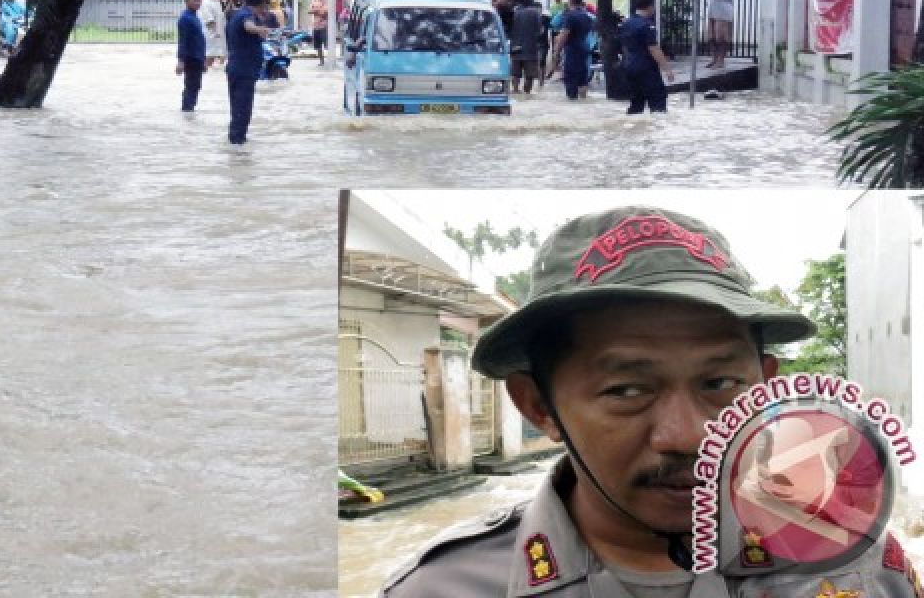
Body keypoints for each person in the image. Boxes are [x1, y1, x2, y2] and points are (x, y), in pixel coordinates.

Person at [382, 205, 915, 598]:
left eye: (721, 384)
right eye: (627, 390)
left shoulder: (858, 564)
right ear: (539, 407)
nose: (691, 436)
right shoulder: (442, 590)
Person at [224, 0, 271, 146]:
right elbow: (248, 26)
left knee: (238, 110)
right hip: (243, 70)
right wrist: (260, 29)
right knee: (242, 111)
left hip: (238, 69)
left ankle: (236, 146)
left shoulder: (238, 14)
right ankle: (237, 147)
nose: (266, 9)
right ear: (260, 4)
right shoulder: (246, 15)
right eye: (265, 6)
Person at [618, 0, 675, 114]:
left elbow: (623, 45)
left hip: (629, 67)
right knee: (658, 102)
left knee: (636, 102)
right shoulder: (647, 25)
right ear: (649, 7)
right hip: (646, 69)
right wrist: (667, 69)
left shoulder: (626, 24)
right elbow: (654, 49)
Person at [549, 0, 595, 100]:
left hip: (572, 49)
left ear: (571, 2)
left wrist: (556, 52)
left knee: (570, 77)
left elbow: (564, 34)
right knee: (583, 78)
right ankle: (583, 100)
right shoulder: (588, 16)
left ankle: (572, 100)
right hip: (585, 47)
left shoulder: (570, 16)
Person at [506, 0, 542, 95]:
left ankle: (516, 91)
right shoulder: (535, 13)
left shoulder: (513, 12)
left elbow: (508, 29)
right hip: (531, 49)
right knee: (529, 76)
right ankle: (527, 93)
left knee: (515, 74)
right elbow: (539, 30)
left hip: (515, 47)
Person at [176, 0, 206, 112]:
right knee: (191, 86)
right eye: (194, 0)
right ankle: (187, 110)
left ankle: (188, 111)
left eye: (199, 0)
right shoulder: (185, 18)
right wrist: (180, 61)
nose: (197, 2)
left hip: (198, 57)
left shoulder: (195, 17)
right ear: (186, 1)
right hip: (191, 58)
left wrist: (203, 59)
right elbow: (183, 41)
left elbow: (199, 40)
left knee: (195, 86)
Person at [707, 0, 736, 69]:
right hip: (714, 9)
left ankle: (720, 61)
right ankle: (714, 59)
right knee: (712, 36)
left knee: (721, 37)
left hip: (723, 11)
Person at [199, 0, 227, 70]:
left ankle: (211, 70)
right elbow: (209, 19)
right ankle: (205, 70)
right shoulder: (205, 3)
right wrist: (215, 32)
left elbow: (220, 16)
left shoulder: (218, 2)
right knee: (209, 54)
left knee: (218, 53)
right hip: (210, 34)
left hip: (219, 33)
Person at [310, 0, 329, 66]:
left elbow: (325, 13)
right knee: (317, 46)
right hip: (316, 26)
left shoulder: (327, 1)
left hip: (324, 26)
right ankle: (321, 61)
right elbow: (310, 11)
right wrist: (317, 11)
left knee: (327, 45)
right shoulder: (314, 1)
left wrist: (316, 11)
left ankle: (330, 60)